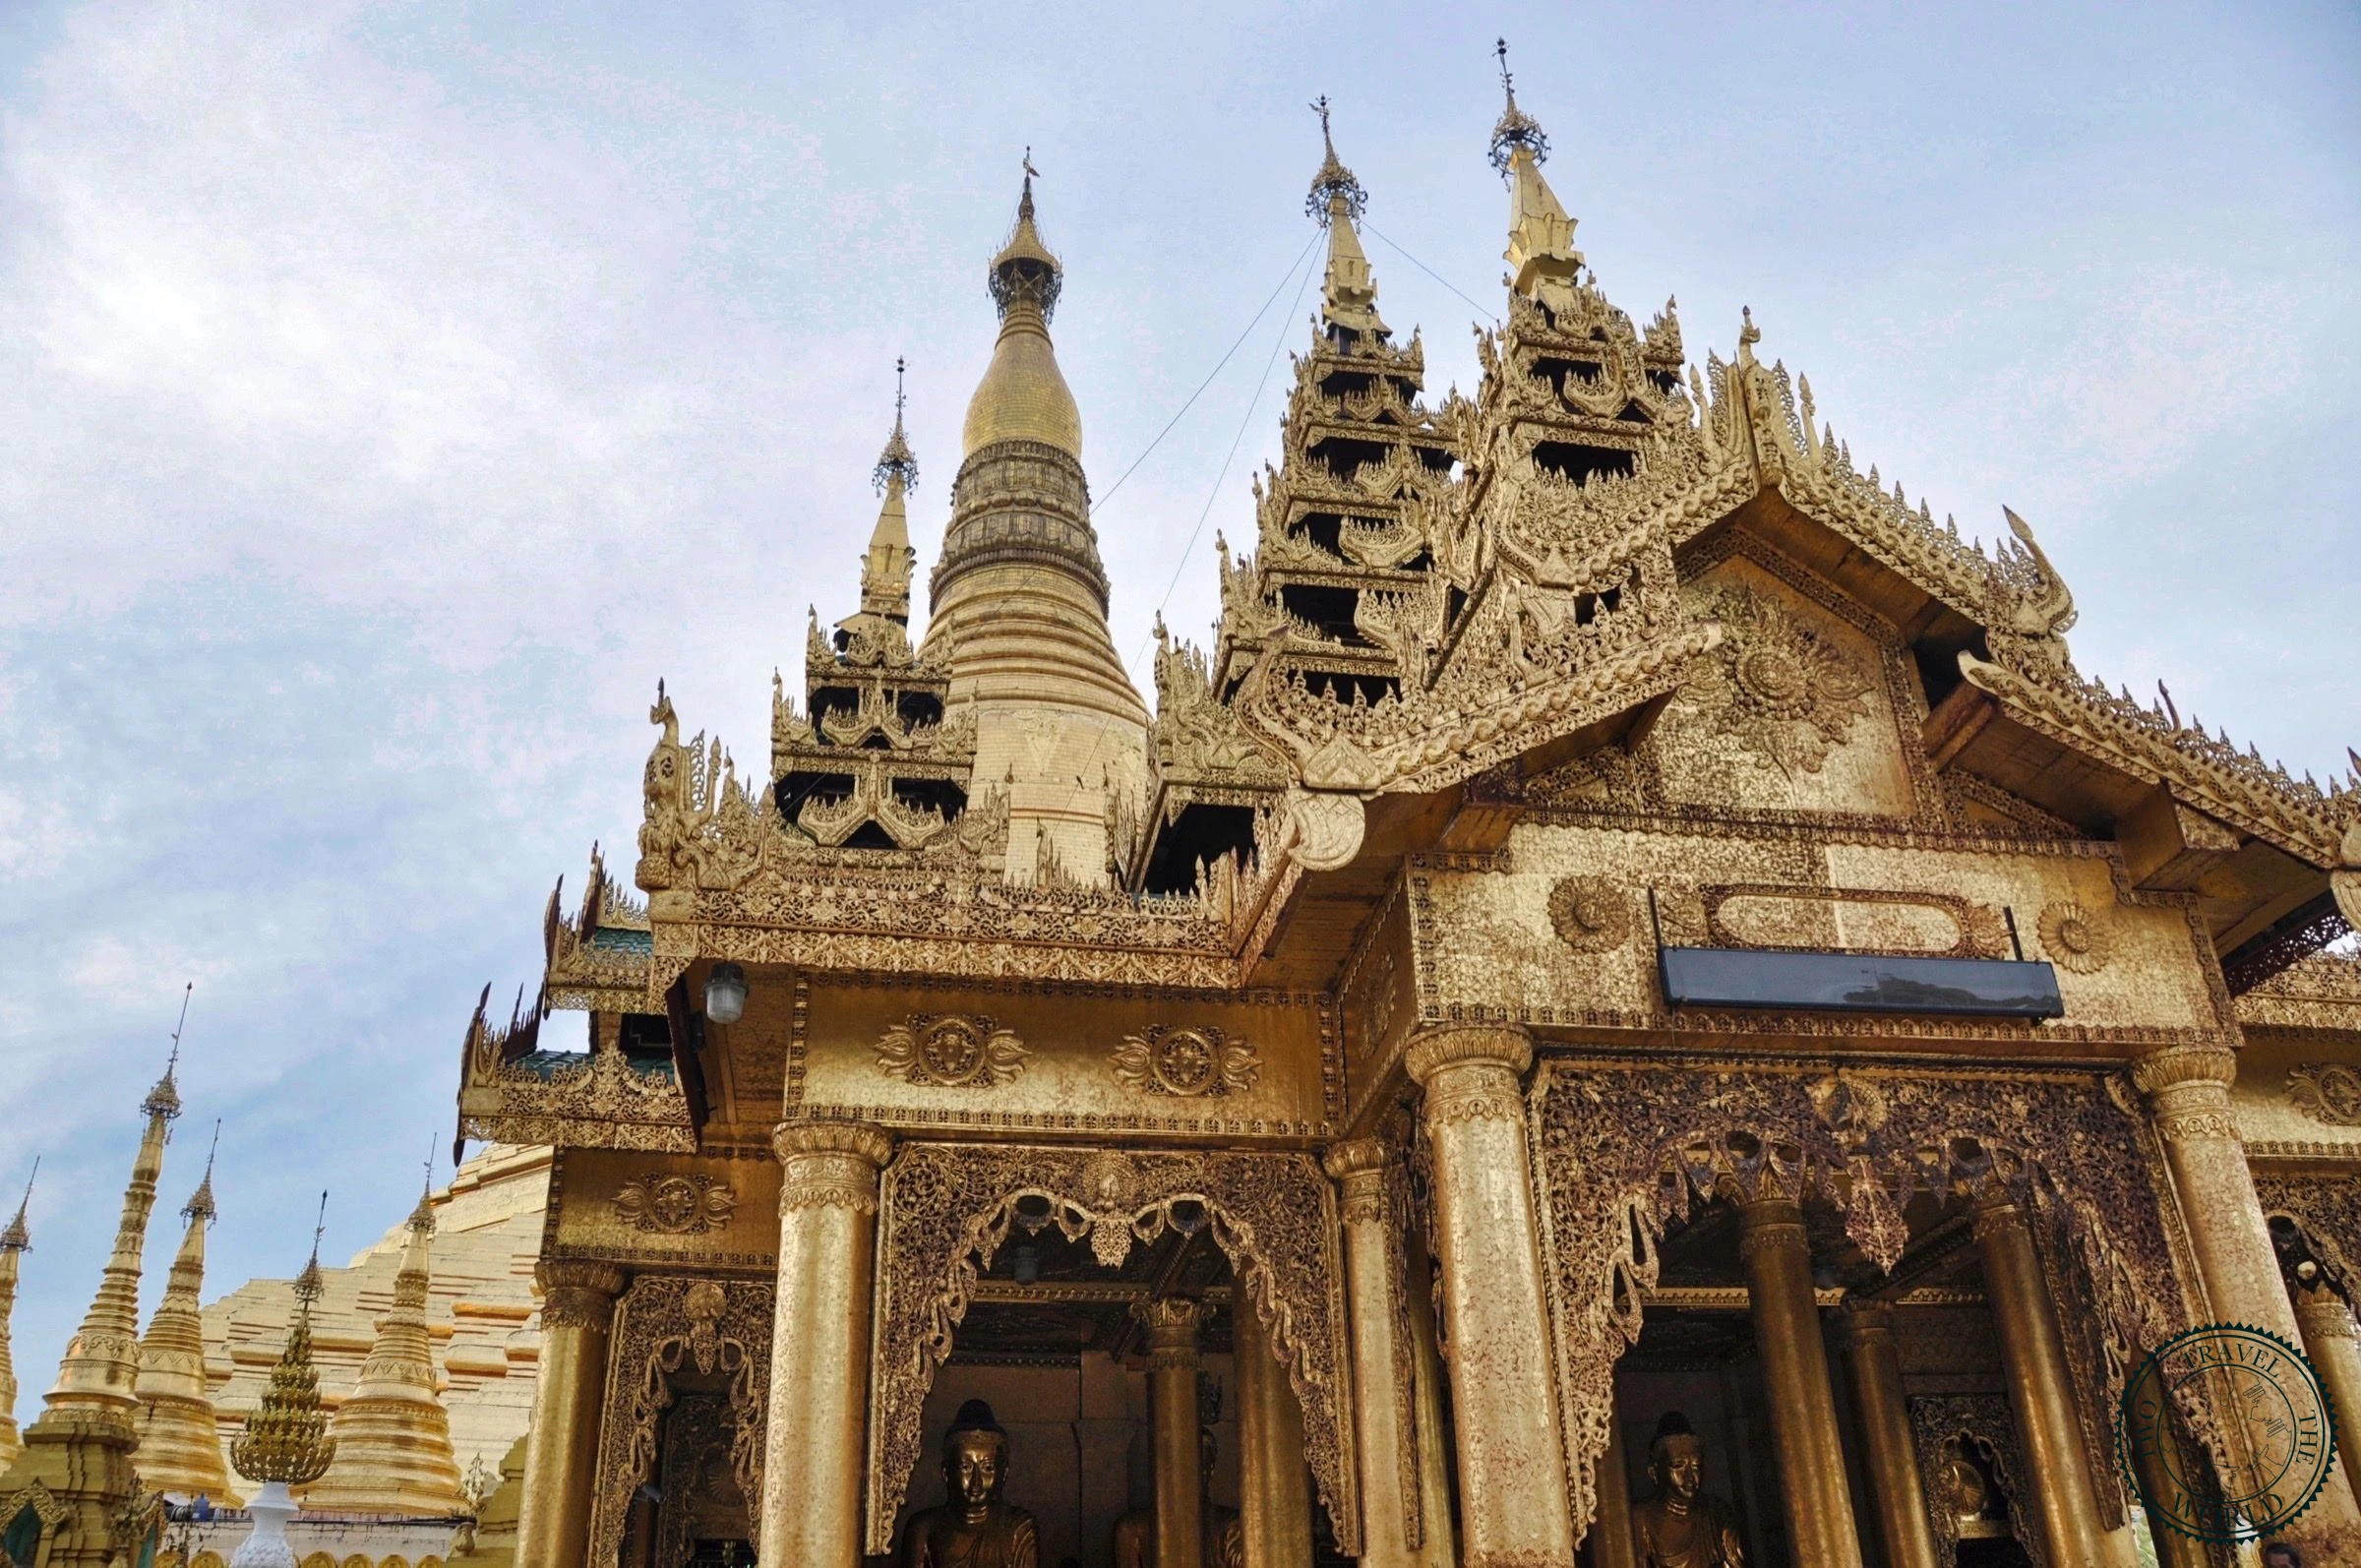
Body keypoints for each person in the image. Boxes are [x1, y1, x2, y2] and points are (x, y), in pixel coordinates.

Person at [899, 1400, 1041, 1568]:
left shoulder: (1016, 1528)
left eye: (987, 1468)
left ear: (1004, 1473)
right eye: (965, 1467)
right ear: (946, 1473)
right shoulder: (925, 1527)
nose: (976, 1481)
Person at [1112, 1427, 1242, 1568]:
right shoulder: (1133, 1528)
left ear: (1210, 1469)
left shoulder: (1230, 1527)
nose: (1185, 1475)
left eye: (1194, 1466)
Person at [1629, 1413, 1745, 1568]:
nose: (1690, 1477)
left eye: (1696, 1466)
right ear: (1654, 1472)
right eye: (1678, 1466)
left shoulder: (1717, 1513)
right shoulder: (1641, 1519)